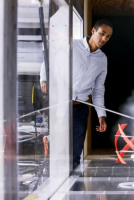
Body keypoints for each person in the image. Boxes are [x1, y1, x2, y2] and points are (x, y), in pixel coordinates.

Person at [40, 19, 113, 169]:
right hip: (60, 105)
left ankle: (71, 187)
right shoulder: (72, 46)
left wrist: (101, 115)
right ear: (93, 31)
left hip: (81, 108)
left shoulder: (102, 59)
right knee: (58, 149)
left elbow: (98, 89)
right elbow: (49, 59)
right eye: (102, 34)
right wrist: (44, 78)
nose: (104, 39)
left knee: (75, 153)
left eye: (108, 36)